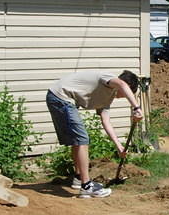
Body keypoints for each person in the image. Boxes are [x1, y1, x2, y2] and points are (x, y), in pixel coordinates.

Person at [46, 70, 143, 198]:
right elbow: (122, 85)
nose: (124, 96)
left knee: (78, 140)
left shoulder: (108, 97)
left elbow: (105, 121)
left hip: (59, 98)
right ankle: (86, 186)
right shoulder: (109, 79)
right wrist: (136, 108)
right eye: (126, 93)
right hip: (61, 97)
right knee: (82, 139)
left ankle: (78, 178)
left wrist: (118, 145)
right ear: (126, 86)